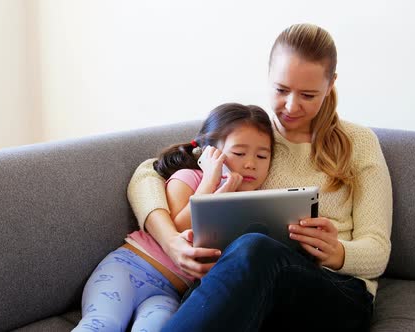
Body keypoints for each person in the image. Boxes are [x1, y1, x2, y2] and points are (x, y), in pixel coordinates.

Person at [127, 23, 392, 331]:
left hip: (337, 293)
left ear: (331, 83)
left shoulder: (359, 143)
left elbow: (378, 251)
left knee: (255, 247)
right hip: (255, 288)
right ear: (268, 77)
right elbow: (146, 174)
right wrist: (172, 242)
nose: (291, 107)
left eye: (308, 94)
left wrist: (338, 252)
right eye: (281, 90)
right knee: (243, 259)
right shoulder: (252, 137)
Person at [73, 103, 274, 332]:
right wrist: (212, 180)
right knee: (103, 323)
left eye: (262, 156)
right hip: (128, 269)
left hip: (169, 293)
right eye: (239, 153)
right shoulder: (189, 177)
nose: (251, 164)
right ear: (209, 152)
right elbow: (179, 226)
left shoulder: (253, 208)